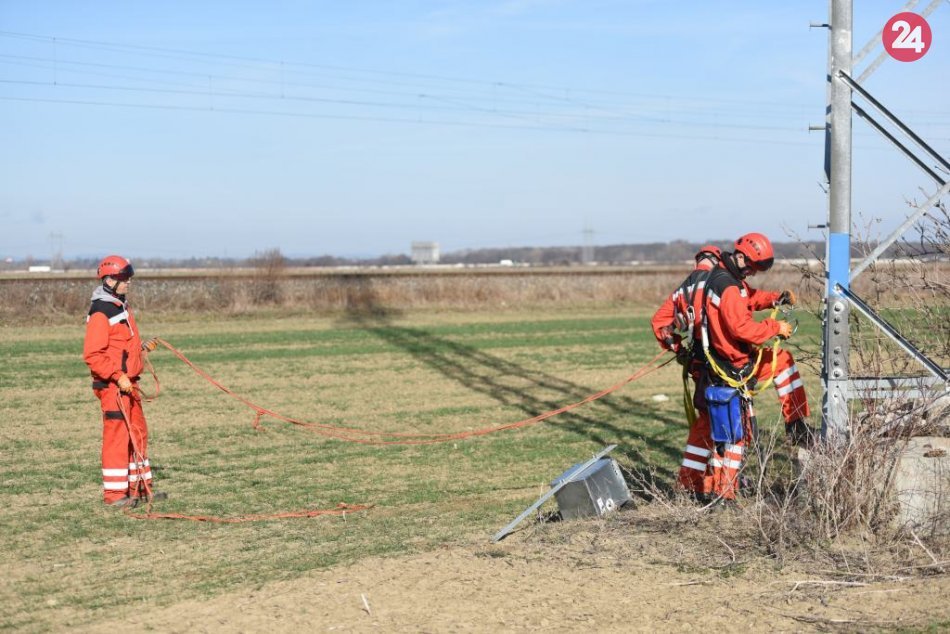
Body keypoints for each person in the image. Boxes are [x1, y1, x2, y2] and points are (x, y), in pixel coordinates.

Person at [651, 234, 813, 501]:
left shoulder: (693, 286)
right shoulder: (724, 285)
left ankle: (691, 484)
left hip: (704, 367)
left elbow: (660, 322)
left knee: (708, 424)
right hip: (731, 365)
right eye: (751, 268)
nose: (751, 273)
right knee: (735, 429)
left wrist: (677, 348)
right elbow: (740, 324)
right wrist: (775, 327)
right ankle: (726, 490)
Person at [83, 255, 165, 508]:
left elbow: (120, 348)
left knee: (138, 434)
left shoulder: (122, 306)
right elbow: (93, 355)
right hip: (113, 388)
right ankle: (115, 496)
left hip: (130, 385)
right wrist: (118, 377)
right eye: (123, 278)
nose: (128, 282)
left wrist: (141, 350)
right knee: (118, 438)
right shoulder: (101, 311)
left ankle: (139, 489)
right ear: (109, 280)